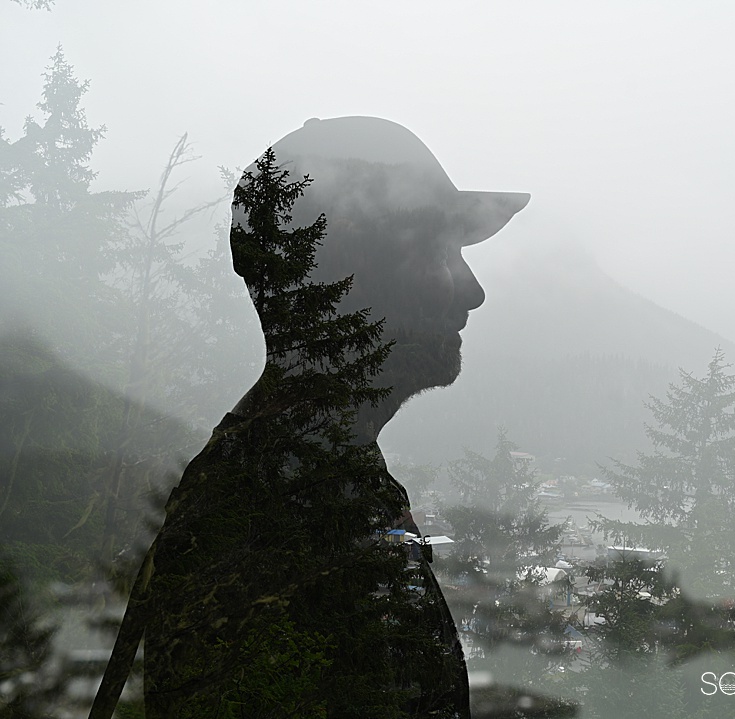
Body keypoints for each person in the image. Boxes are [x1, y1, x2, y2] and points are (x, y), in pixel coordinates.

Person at [90, 117, 528, 719]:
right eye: (438, 249)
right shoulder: (267, 509)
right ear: (350, 274)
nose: (472, 289)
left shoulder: (310, 472)